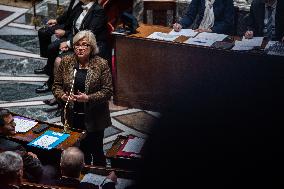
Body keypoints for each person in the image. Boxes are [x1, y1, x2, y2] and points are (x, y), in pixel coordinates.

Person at [52, 30, 113, 166]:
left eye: (84, 44)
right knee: (78, 152)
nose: (80, 48)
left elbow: (108, 91)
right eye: (77, 45)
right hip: (72, 116)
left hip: (94, 118)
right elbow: (56, 86)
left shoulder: (101, 64)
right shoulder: (66, 61)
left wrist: (88, 98)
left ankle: (99, 180)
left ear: (91, 47)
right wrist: (62, 95)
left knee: (97, 151)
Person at [36, 0, 110, 95]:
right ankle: (56, 90)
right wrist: (69, 41)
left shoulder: (98, 11)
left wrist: (69, 43)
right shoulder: (81, 7)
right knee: (53, 48)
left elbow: (89, 34)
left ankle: (63, 97)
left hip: (91, 46)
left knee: (59, 60)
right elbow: (75, 29)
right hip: (77, 41)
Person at [0, 109, 44, 183]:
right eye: (10, 123)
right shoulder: (15, 148)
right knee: (52, 169)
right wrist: (32, 157)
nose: (14, 124)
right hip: (19, 179)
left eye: (13, 121)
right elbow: (38, 170)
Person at [51, 147, 116, 189]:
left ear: (60, 165)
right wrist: (110, 181)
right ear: (83, 166)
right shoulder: (87, 187)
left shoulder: (50, 184)